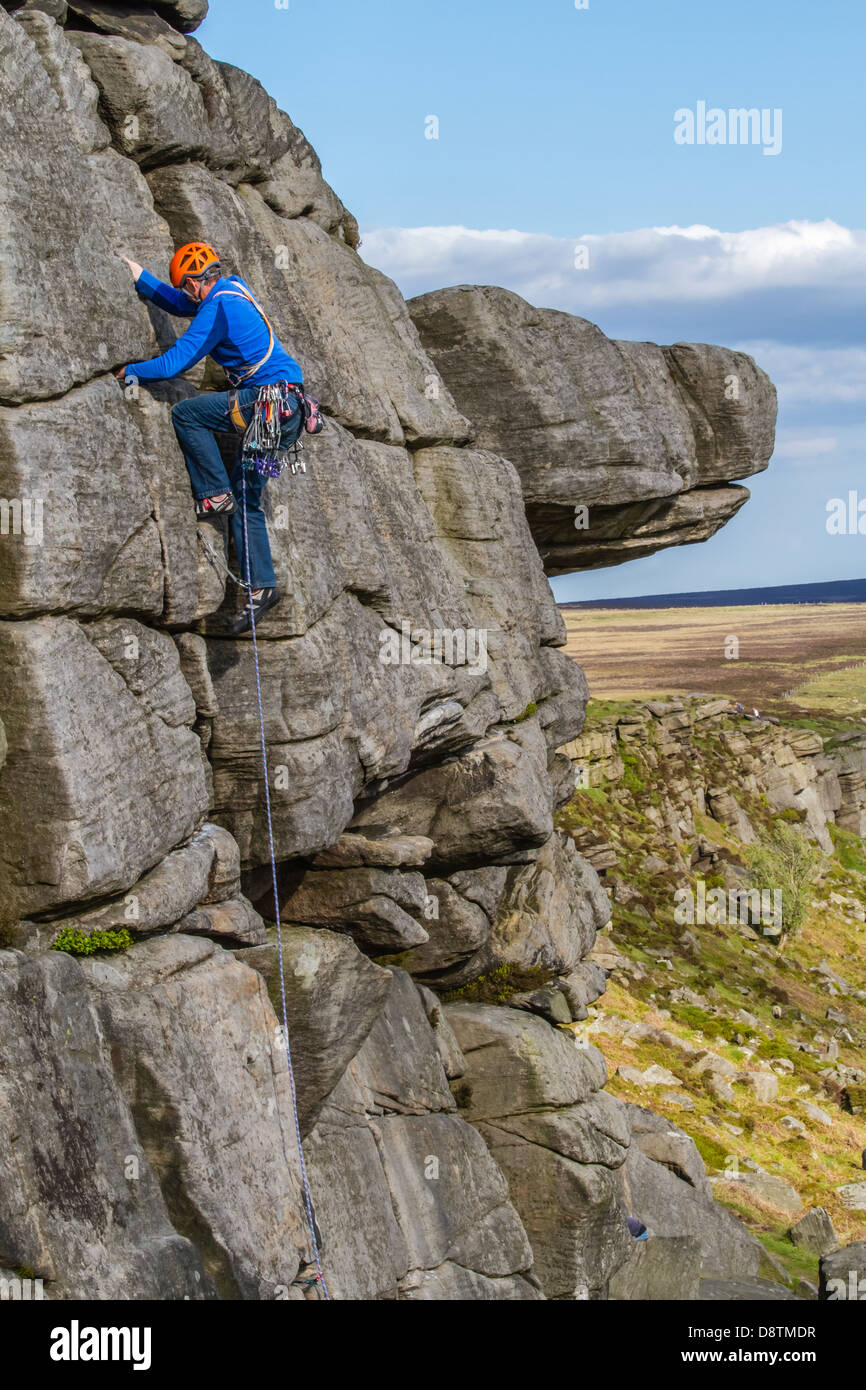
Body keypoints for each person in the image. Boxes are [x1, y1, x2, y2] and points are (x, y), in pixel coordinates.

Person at [116, 242, 305, 632]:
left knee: (187, 414)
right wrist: (141, 277)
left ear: (193, 282)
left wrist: (127, 372)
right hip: (290, 409)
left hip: (264, 404)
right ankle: (262, 589)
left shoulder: (218, 305)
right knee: (248, 496)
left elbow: (174, 363)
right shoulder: (233, 288)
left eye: (186, 287)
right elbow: (186, 307)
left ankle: (214, 493)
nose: (187, 295)